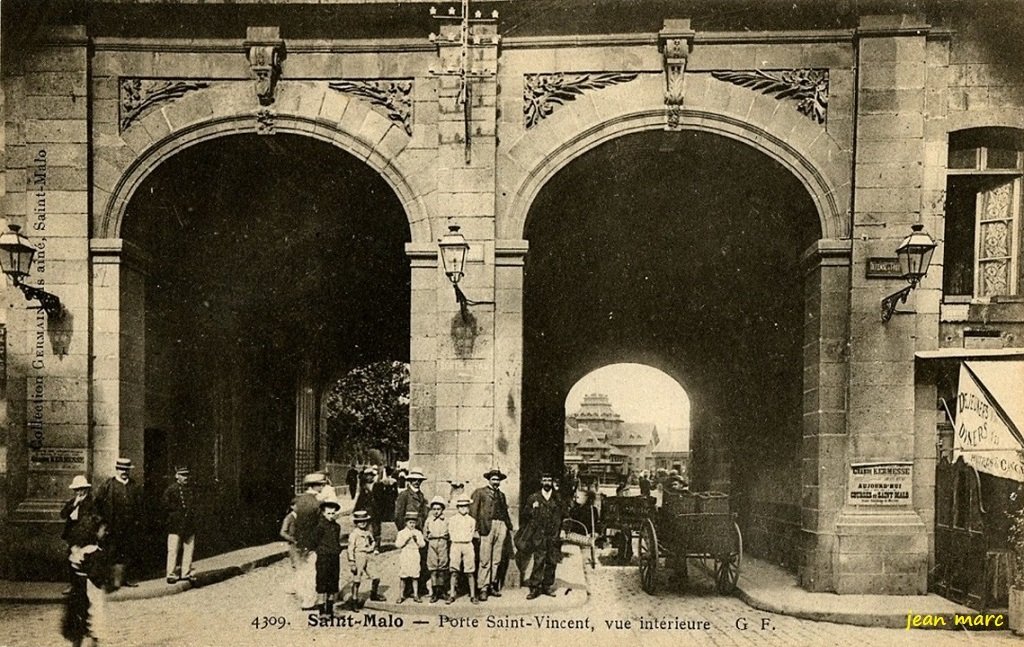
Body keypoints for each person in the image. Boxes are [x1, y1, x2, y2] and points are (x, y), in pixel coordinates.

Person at [63, 515, 113, 647]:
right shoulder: (94, 552)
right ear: (95, 531)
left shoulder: (77, 551)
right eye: (103, 530)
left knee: (79, 628)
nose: (105, 533)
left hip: (77, 592)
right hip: (91, 592)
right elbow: (96, 575)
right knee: (94, 625)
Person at [93, 457, 142, 587]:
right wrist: (101, 522)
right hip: (112, 526)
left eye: (126, 469)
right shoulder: (108, 485)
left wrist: (138, 522)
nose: (123, 472)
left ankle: (124, 579)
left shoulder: (134, 486)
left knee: (127, 553)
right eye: (121, 469)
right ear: (116, 469)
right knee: (111, 553)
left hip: (129, 526)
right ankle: (109, 581)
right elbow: (96, 505)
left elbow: (140, 506)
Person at [469, 468, 513, 601]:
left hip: (500, 526)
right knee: (485, 559)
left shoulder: (502, 495)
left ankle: (492, 585)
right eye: (493, 479)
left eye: (498, 479)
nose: (496, 481)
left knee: (496, 559)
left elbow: (505, 512)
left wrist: (508, 526)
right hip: (486, 527)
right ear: (489, 480)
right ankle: (483, 587)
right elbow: (473, 512)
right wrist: (474, 530)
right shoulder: (480, 492)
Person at [520, 473, 563, 599]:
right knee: (539, 561)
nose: (547, 482)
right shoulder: (534, 497)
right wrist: (532, 509)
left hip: (553, 535)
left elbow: (565, 515)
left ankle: (547, 586)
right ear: (541, 482)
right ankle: (535, 588)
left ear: (552, 482)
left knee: (551, 561)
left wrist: (563, 530)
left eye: (549, 480)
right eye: (545, 480)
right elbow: (525, 514)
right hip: (539, 535)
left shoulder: (558, 498)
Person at [293, 472, 327, 610]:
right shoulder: (317, 503)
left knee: (303, 571)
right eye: (322, 485)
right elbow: (319, 526)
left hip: (300, 542)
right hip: (313, 543)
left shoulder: (299, 501)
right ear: (316, 486)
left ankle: (303, 597)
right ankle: (309, 602)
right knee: (313, 573)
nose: (323, 487)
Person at [394, 469, 430, 597]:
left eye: (419, 480)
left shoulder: (421, 495)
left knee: (420, 560)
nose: (416, 482)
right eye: (414, 480)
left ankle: (420, 587)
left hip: (420, 533)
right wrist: (405, 532)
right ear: (409, 481)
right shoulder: (404, 495)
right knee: (407, 561)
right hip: (409, 532)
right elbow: (398, 515)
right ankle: (407, 589)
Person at [61, 475, 96, 593]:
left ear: (86, 489)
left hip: (85, 535)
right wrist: (74, 504)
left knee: (85, 560)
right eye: (76, 490)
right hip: (73, 535)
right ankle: (73, 585)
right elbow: (63, 514)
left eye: (81, 489)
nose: (79, 492)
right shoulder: (72, 502)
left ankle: (86, 586)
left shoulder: (91, 503)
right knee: (71, 560)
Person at [346, 510, 386, 610]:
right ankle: (354, 600)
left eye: (364, 521)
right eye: (360, 521)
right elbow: (350, 548)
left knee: (376, 577)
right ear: (356, 523)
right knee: (357, 580)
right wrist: (352, 561)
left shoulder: (368, 533)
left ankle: (374, 594)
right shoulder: (354, 534)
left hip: (368, 555)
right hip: (359, 556)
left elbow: (373, 541)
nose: (362, 523)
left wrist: (372, 547)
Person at [163, 466, 197, 584]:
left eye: (187, 475)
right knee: (173, 550)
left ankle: (185, 573)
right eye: (182, 475)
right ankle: (171, 574)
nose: (185, 477)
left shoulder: (191, 489)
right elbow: (165, 506)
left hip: (189, 524)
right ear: (177, 476)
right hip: (175, 524)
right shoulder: (171, 490)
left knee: (189, 549)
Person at [312, 496, 343, 617]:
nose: (331, 515)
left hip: (334, 557)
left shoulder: (337, 527)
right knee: (322, 584)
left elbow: (336, 540)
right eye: (329, 513)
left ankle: (330, 610)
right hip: (323, 557)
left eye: (333, 513)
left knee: (333, 584)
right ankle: (322, 612)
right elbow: (314, 541)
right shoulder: (320, 527)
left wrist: (337, 549)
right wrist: (321, 550)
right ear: (324, 513)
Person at [447, 497, 478, 604]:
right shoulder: (452, 520)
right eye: (461, 506)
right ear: (457, 507)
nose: (463, 508)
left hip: (467, 545)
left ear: (468, 507)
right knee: (454, 570)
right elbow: (451, 532)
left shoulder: (472, 520)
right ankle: (452, 594)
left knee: (470, 571)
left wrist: (465, 540)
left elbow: (471, 533)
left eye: (465, 506)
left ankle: (473, 595)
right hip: (456, 545)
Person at [395, 511, 426, 603]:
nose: (412, 524)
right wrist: (406, 539)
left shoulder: (418, 532)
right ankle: (401, 595)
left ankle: (416, 594)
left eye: (414, 522)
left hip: (414, 554)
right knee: (403, 575)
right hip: (405, 554)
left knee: (415, 575)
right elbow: (398, 545)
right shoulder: (402, 533)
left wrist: (417, 540)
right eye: (410, 522)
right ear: (406, 523)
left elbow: (422, 545)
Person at [423, 496, 449, 603]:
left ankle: (441, 590)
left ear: (442, 509)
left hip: (443, 543)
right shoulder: (429, 520)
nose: (436, 511)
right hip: (432, 544)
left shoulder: (446, 520)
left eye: (438, 509)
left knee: (442, 568)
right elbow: (425, 534)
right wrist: (430, 538)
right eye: (434, 509)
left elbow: (449, 533)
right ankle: (434, 591)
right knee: (433, 568)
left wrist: (445, 537)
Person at [354, 467, 389, 545]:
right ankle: (368, 543)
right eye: (367, 475)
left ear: (373, 476)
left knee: (376, 528)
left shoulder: (378, 485)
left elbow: (383, 499)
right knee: (366, 528)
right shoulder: (363, 487)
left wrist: (382, 510)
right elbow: (360, 499)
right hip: (366, 510)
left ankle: (376, 545)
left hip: (376, 510)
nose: (369, 477)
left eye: (371, 475)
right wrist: (356, 509)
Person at [279, 498, 299, 593]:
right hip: (293, 545)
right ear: (292, 506)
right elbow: (283, 532)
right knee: (295, 565)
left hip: (302, 545)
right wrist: (293, 539)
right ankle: (294, 587)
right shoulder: (289, 518)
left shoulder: (302, 516)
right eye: (297, 505)